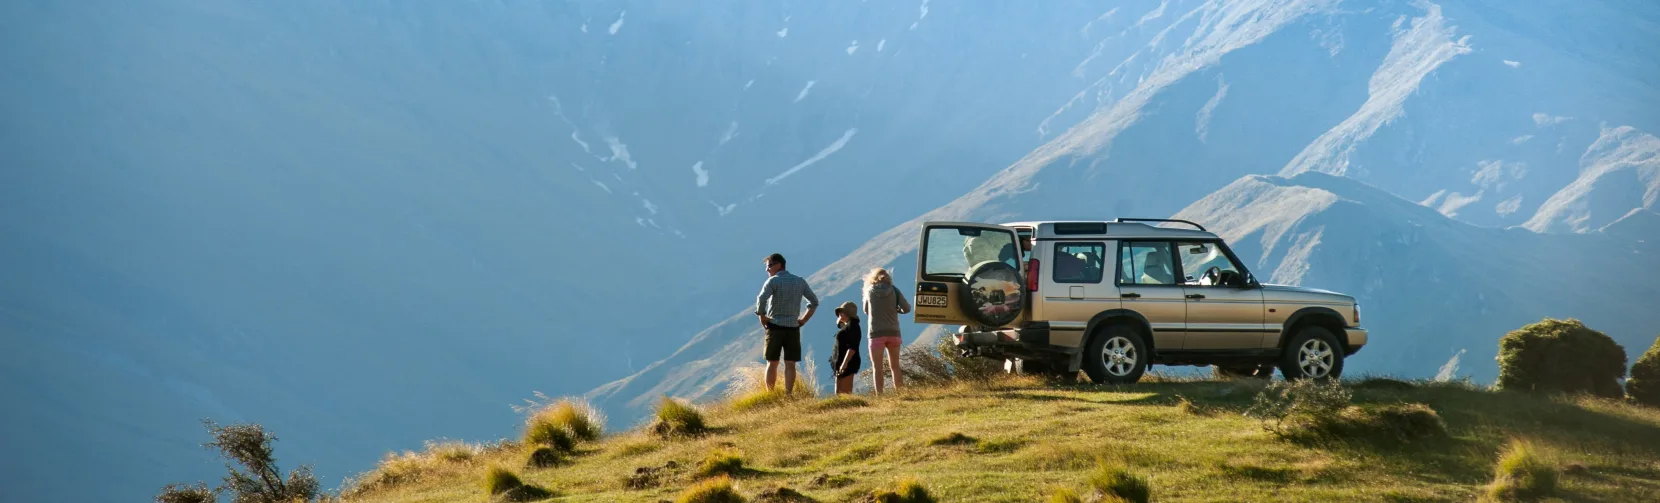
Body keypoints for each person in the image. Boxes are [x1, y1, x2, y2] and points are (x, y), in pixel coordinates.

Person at [755, 253, 818, 392]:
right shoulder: (800, 281)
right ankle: (788, 394)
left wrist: (761, 315)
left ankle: (770, 394)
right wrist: (804, 319)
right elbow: (814, 302)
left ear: (778, 265)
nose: (767, 270)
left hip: (775, 326)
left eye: (769, 266)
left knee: (772, 363)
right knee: (790, 364)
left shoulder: (773, 281)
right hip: (793, 328)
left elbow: (761, 299)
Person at [861, 267, 912, 394]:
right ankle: (900, 393)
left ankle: (880, 395)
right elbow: (906, 309)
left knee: (877, 368)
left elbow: (866, 310)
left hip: (876, 333)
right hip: (893, 332)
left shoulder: (869, 291)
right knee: (895, 366)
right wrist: (896, 310)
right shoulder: (895, 290)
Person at [830, 301, 862, 395]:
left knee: (845, 393)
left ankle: (848, 408)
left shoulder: (853, 326)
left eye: (842, 312)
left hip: (848, 363)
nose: (839, 314)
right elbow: (842, 330)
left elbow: (852, 347)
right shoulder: (848, 325)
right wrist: (839, 321)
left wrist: (845, 363)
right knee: (838, 393)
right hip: (840, 362)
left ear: (848, 313)